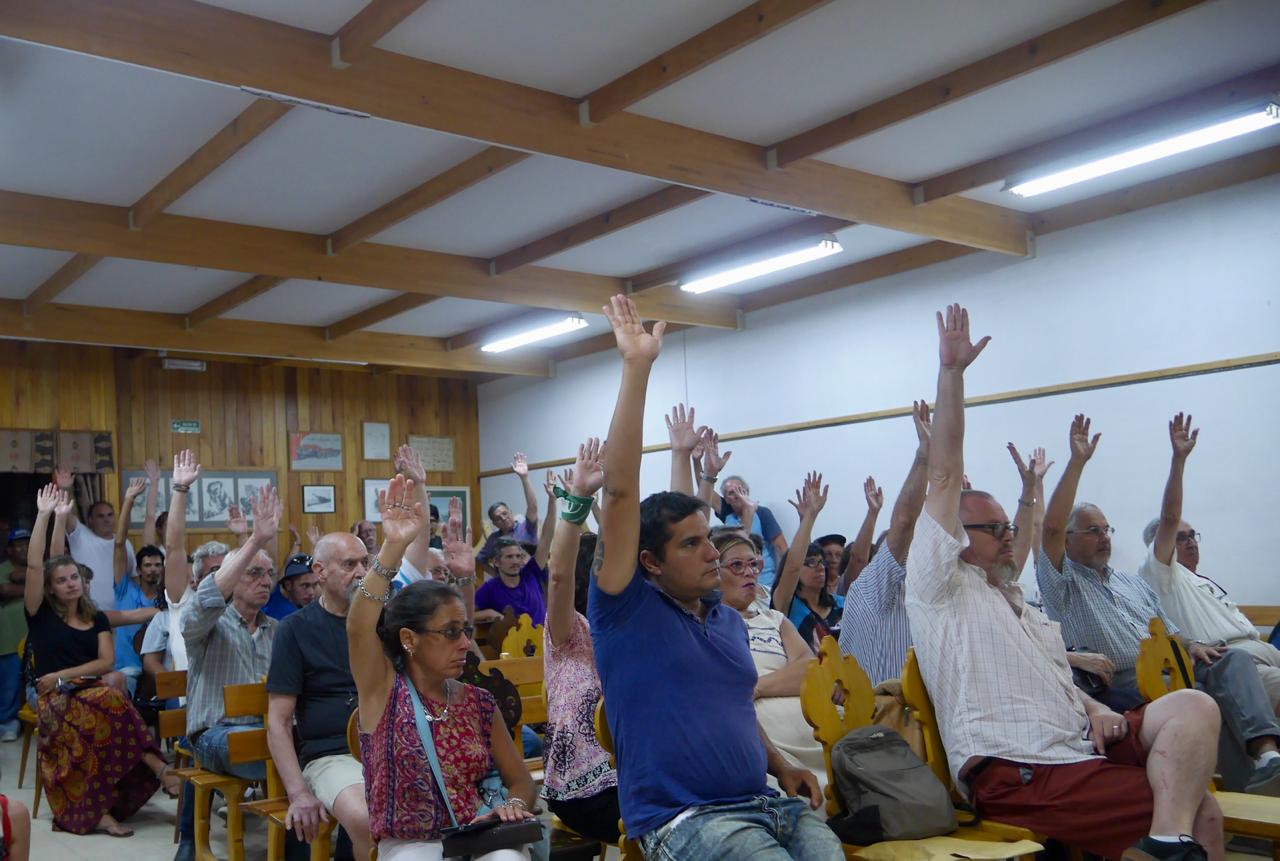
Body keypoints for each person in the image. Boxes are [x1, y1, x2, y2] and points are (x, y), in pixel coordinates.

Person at [906, 303, 1224, 861]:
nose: (1010, 537)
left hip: (1076, 743)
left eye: (1011, 526)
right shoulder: (940, 588)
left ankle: (1165, 843)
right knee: (1201, 810)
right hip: (1019, 768)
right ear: (956, 534)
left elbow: (1055, 679)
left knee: (1195, 706)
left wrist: (1095, 708)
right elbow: (944, 471)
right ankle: (1170, 839)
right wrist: (952, 376)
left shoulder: (1019, 606)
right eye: (994, 528)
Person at [591, 294, 836, 861]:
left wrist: (782, 765)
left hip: (764, 799)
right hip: (683, 817)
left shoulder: (727, 621)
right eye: (692, 544)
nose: (713, 554)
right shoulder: (625, 612)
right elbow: (621, 491)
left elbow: (732, 713)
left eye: (711, 539)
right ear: (650, 561)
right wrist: (636, 368)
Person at [1038, 413, 1280, 794]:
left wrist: (1192, 645)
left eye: (1107, 530)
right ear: (1067, 541)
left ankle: (1267, 757)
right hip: (1121, 684)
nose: (1104, 537)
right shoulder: (1062, 583)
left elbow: (1170, 631)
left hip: (1170, 670)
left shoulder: (1131, 584)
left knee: (1231, 661)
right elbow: (1049, 528)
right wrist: (1077, 463)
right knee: (1199, 699)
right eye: (1092, 531)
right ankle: (1240, 796)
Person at [348, 474, 538, 860]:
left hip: (477, 838)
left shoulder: (478, 703)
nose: (465, 643)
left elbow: (520, 779)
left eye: (465, 630)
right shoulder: (383, 692)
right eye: (451, 633)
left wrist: (513, 805)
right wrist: (393, 548)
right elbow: (358, 624)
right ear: (409, 639)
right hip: (411, 844)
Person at [23, 484, 181, 837]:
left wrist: (62, 674)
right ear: (50, 588)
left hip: (79, 689)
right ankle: (159, 769)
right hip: (52, 699)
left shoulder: (95, 617)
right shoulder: (41, 614)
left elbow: (105, 662)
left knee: (108, 697)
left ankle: (103, 808)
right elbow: (36, 564)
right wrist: (46, 515)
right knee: (110, 699)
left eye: (74, 577)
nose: (70, 584)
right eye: (61, 580)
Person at [1139, 413, 1280, 712]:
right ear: (1159, 545)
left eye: (1193, 536)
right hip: (1235, 660)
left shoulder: (1200, 580)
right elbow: (1169, 518)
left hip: (1264, 648)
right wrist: (1179, 461)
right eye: (1181, 537)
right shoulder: (1161, 573)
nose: (1190, 542)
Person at [266, 531, 371, 860]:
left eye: (366, 563)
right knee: (367, 818)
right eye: (350, 564)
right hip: (331, 755)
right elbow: (279, 722)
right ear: (320, 571)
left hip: (387, 748)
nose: (361, 572)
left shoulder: (383, 621)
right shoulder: (294, 629)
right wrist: (298, 793)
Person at [542, 437, 620, 844]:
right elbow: (558, 573)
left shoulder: (625, 626)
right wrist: (576, 500)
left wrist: (606, 492)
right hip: (581, 787)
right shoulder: (567, 630)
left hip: (634, 772)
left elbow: (622, 549)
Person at [714, 531, 828, 791]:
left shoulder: (775, 619)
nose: (749, 572)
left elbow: (809, 669)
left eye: (754, 564)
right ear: (714, 573)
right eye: (737, 565)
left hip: (808, 719)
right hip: (756, 729)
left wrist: (756, 688)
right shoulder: (706, 624)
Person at [181, 484, 279, 785]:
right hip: (214, 733)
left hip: (264, 729)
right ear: (233, 578)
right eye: (253, 574)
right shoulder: (208, 624)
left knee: (307, 745)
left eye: (269, 575)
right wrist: (254, 539)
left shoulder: (276, 629)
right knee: (272, 749)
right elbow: (207, 600)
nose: (264, 582)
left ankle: (293, 828)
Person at [839, 400, 931, 685]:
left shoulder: (925, 589)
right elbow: (903, 523)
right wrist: (924, 457)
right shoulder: (874, 586)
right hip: (883, 722)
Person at [697, 442, 788, 589]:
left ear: (747, 491)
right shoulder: (727, 513)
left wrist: (787, 581)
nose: (737, 495)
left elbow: (782, 547)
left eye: (740, 490)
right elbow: (705, 489)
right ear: (726, 499)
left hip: (765, 582)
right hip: (736, 581)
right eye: (731, 493)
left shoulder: (762, 513)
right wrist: (696, 461)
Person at [770, 473, 842, 652]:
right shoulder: (786, 604)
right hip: (808, 678)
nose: (819, 567)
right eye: (810, 563)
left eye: (821, 562)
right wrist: (810, 517)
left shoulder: (840, 603)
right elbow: (793, 566)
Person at [55, 465, 134, 609]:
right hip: (86, 612)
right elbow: (65, 514)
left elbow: (133, 577)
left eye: (110, 515)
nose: (106, 520)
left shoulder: (125, 543)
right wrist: (64, 488)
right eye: (100, 516)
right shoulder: (80, 535)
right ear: (90, 519)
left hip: (120, 614)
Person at [477, 452, 540, 574]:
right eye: (499, 518)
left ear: (511, 512)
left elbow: (532, 507)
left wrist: (524, 478)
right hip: (506, 583)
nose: (504, 518)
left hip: (530, 579)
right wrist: (496, 575)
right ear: (495, 524)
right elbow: (481, 559)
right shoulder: (494, 539)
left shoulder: (525, 528)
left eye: (505, 514)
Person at [474, 538, 547, 626]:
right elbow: (467, 616)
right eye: (509, 557)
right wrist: (490, 613)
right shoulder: (489, 589)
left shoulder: (531, 573)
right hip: (515, 639)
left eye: (518, 556)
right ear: (496, 562)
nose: (515, 561)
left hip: (543, 638)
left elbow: (546, 538)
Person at [0, 528, 30, 741]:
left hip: (35, 640)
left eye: (28, 543)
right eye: (19, 544)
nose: (24, 548)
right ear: (9, 550)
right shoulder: (3, 568)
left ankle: (30, 721)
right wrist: (38, 586)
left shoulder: (38, 566)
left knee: (34, 683)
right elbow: (4, 591)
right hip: (8, 639)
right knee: (9, 685)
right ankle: (7, 723)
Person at [263, 553, 320, 620]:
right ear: (288, 585)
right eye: (305, 586)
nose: (311, 592)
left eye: (314, 585)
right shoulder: (270, 599)